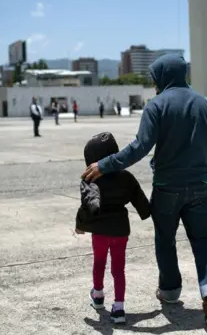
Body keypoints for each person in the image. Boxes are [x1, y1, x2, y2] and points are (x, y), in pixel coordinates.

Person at [82, 54, 207, 325]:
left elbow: (140, 147)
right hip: (201, 186)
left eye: (154, 78)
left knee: (165, 238)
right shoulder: (204, 105)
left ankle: (170, 292)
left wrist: (105, 165)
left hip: (167, 188)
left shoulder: (156, 106)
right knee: (203, 240)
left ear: (162, 76)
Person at [75, 132, 151, 325]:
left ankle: (98, 295)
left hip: (100, 231)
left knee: (99, 263)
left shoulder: (90, 178)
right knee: (119, 269)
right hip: (120, 231)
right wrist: (147, 212)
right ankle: (119, 308)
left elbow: (87, 204)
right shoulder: (126, 177)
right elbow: (141, 203)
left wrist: (80, 226)